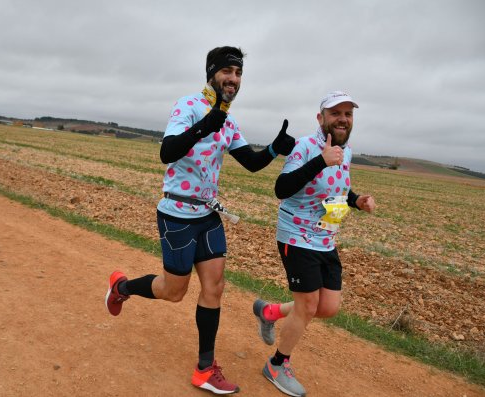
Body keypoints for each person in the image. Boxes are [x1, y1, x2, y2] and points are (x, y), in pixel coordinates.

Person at [105, 46, 296, 395]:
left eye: (238, 74)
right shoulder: (189, 106)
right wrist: (204, 125)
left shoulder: (230, 121)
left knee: (215, 288)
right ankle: (122, 288)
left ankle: (205, 369)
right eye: (227, 72)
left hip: (208, 216)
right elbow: (168, 151)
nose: (233, 80)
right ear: (212, 72)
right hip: (177, 215)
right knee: (173, 292)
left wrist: (273, 149)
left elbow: (250, 163)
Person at [252, 91, 376, 396]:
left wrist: (356, 200)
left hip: (325, 237)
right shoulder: (306, 147)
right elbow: (281, 188)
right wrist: (320, 160)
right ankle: (277, 365)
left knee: (328, 306)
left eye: (348, 114)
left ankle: (269, 312)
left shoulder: (346, 152)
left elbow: (337, 190)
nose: (343, 119)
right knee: (307, 305)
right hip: (296, 234)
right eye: (336, 113)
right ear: (321, 118)